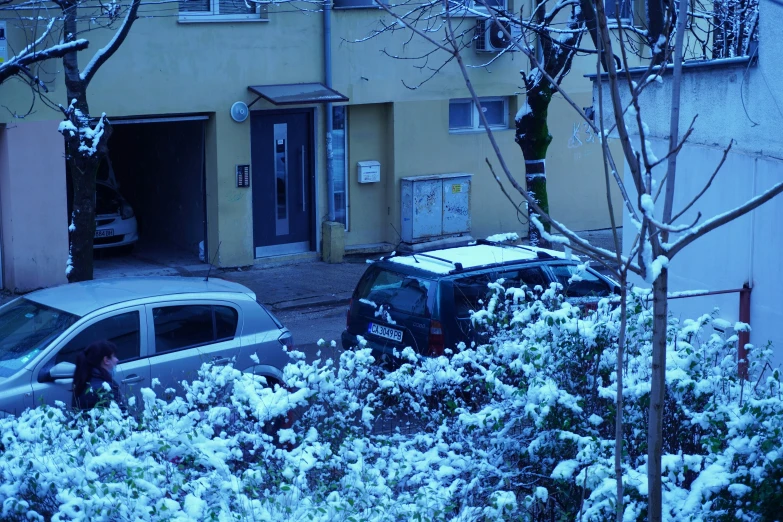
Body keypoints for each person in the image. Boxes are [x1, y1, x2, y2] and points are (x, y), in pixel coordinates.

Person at [72, 340, 126, 413]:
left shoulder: (84, 381)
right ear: (106, 360)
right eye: (114, 356)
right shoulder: (103, 389)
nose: (117, 360)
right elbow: (122, 417)